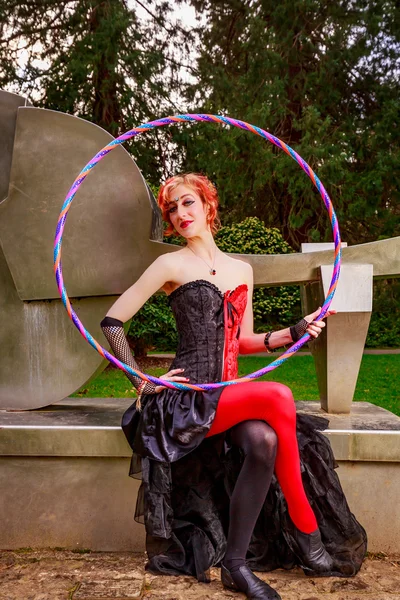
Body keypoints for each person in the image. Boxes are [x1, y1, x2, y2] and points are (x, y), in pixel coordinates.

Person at [100, 173, 367, 600]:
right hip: (186, 399)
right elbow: (112, 323)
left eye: (187, 203)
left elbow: (243, 341)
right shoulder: (172, 264)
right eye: (171, 209)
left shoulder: (241, 269)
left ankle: (236, 566)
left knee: (264, 440)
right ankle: (307, 533)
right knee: (278, 395)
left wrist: (294, 330)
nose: (180, 214)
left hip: (226, 393)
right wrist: (144, 381)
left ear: (208, 205)